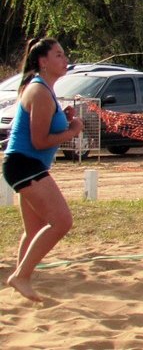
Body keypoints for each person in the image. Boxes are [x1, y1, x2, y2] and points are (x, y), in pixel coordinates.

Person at [3, 38, 83, 302]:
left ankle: (20, 281)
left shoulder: (44, 90)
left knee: (34, 228)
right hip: (24, 164)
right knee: (62, 221)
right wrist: (71, 131)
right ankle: (21, 276)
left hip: (25, 164)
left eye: (64, 54)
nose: (65, 59)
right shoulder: (38, 91)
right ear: (43, 61)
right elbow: (38, 141)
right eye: (58, 55)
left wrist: (65, 119)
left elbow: (44, 129)